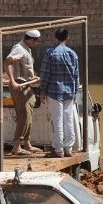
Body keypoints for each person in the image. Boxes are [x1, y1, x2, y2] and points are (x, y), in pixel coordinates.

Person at [39, 27, 79, 158]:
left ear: (55, 38)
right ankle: (68, 149)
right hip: (69, 92)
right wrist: (75, 93)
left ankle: (58, 149)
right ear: (67, 38)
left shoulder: (50, 53)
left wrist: (42, 90)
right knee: (68, 120)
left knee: (57, 121)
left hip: (54, 92)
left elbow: (45, 74)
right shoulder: (73, 54)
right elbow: (76, 76)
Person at [4, 29, 42, 156]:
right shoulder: (19, 48)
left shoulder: (27, 48)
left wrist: (33, 78)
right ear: (31, 39)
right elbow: (8, 61)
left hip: (26, 85)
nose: (36, 43)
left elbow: (24, 68)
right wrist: (12, 81)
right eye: (36, 41)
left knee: (29, 113)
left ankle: (27, 143)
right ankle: (16, 146)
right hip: (19, 86)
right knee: (24, 115)